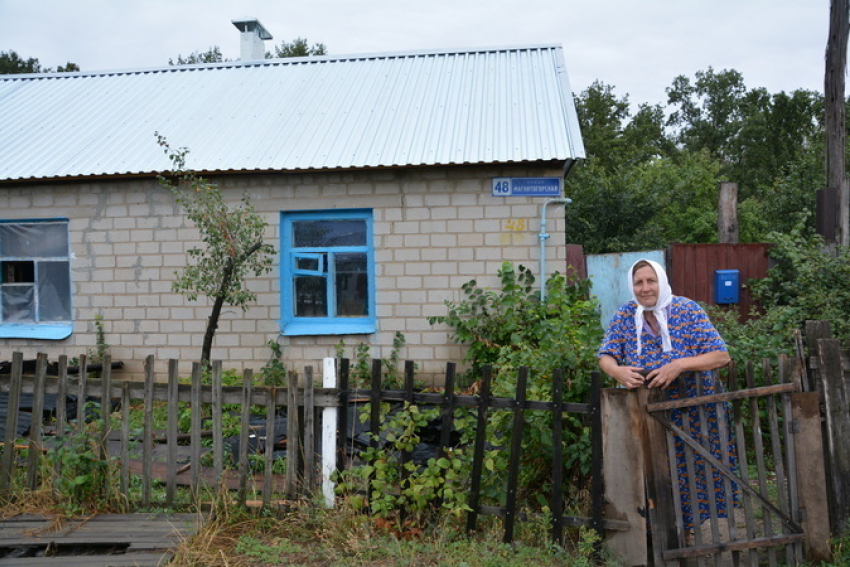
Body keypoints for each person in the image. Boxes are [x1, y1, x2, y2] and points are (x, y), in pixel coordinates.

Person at [598, 258, 737, 532]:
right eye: (638, 282)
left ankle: (687, 531)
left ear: (662, 281)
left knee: (692, 472)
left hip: (693, 414)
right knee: (650, 474)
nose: (645, 288)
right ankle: (655, 535)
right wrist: (618, 372)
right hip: (646, 416)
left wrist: (679, 364)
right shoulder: (626, 315)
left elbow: (721, 355)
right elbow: (605, 356)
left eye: (651, 281)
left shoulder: (687, 310)